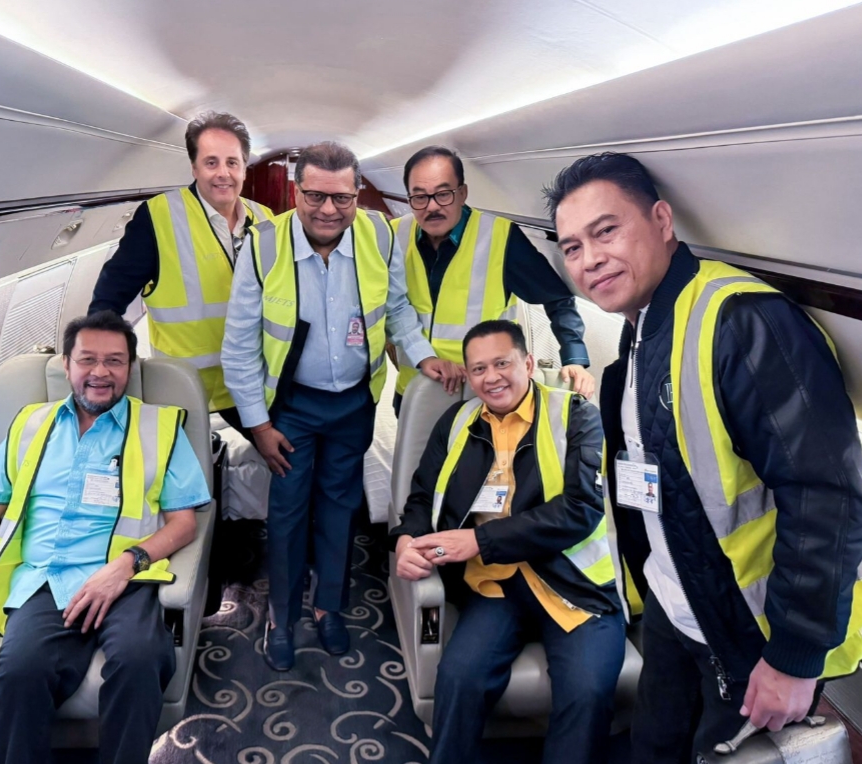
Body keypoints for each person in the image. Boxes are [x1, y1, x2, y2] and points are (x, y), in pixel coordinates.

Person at [547, 152, 862, 761]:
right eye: (573, 247)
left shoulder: (743, 322)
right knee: (652, 747)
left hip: (752, 633)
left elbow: (826, 495)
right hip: (676, 609)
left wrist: (794, 658)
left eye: (606, 231)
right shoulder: (642, 329)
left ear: (662, 220)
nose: (590, 259)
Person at [0, 311, 211, 764]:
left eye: (115, 361)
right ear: (66, 364)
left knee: (141, 661)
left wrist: (126, 566)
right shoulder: (29, 426)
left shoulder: (158, 427)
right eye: (88, 359)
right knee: (20, 673)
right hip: (45, 580)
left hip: (125, 579)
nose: (101, 372)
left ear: (130, 367)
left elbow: (184, 523)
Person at [222, 141, 464, 671]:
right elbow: (238, 347)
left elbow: (397, 308)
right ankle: (281, 618)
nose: (328, 210)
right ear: (296, 192)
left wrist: (423, 355)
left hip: (354, 402)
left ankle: (328, 607)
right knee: (287, 515)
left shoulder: (380, 234)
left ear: (357, 194)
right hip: (291, 406)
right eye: (315, 196)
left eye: (341, 198)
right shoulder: (263, 246)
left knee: (340, 510)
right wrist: (258, 426)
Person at [390, 320, 625, 764]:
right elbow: (422, 497)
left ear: (528, 363)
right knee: (458, 678)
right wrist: (407, 540)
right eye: (479, 369)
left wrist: (479, 540)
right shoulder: (456, 422)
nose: (491, 377)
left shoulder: (575, 414)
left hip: (572, 585)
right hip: (494, 586)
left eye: (502, 363)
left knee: (588, 693)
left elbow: (580, 509)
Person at [88, 111, 273, 431]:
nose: (223, 173)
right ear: (194, 167)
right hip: (185, 388)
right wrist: (100, 362)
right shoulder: (159, 216)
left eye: (232, 162)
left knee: (288, 456)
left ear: (245, 167)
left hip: (254, 383)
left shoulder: (268, 220)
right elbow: (110, 297)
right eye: (211, 162)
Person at [390, 146, 596, 412]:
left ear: (462, 193)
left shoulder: (500, 237)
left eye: (443, 194)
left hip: (482, 396)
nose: (432, 207)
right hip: (414, 391)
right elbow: (391, 306)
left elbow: (556, 297)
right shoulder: (394, 235)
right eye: (419, 197)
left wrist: (573, 358)